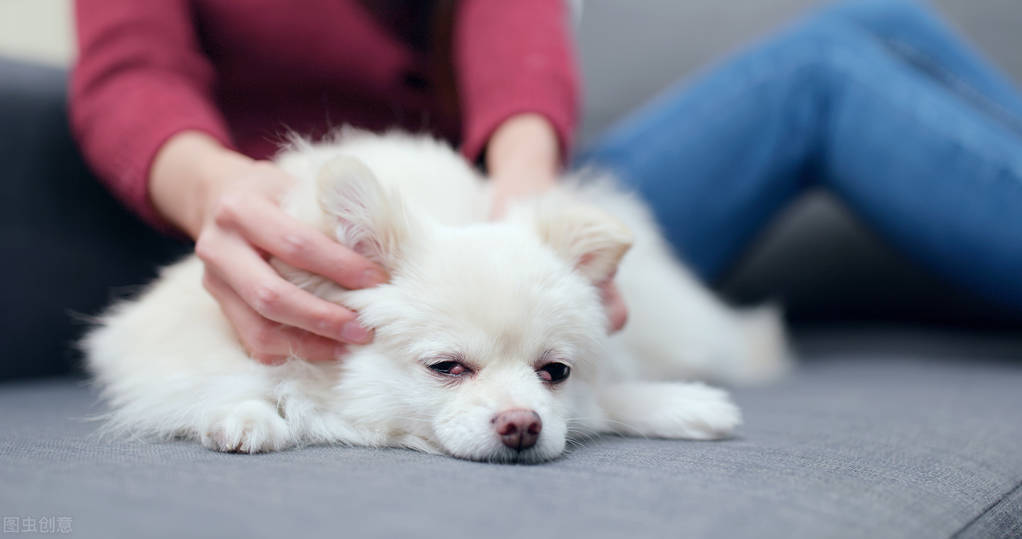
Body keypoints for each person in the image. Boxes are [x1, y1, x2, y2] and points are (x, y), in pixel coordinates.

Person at [69, 0, 1022, 367]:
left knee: (876, 21)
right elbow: (128, 71)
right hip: (363, 243)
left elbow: (510, 19)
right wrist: (218, 189)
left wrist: (524, 197)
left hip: (507, 202)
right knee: (827, 74)